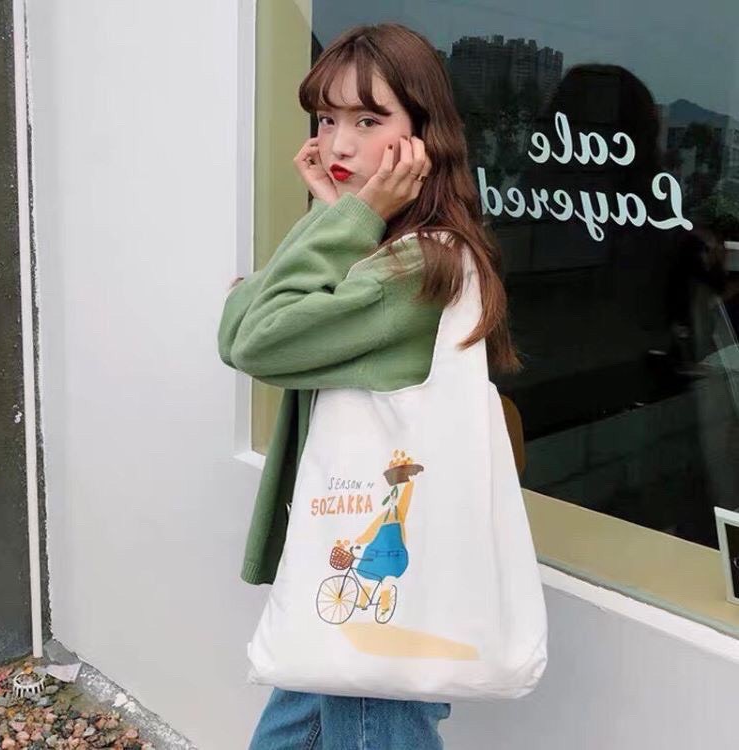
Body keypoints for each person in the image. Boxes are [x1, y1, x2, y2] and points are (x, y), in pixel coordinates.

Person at [217, 22, 522, 750]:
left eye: (368, 119)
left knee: (368, 720)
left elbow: (251, 337)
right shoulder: (378, 246)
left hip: (376, 577)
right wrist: (338, 217)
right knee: (298, 724)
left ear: (422, 136)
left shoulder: (417, 266)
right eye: (326, 119)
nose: (338, 144)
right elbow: (247, 326)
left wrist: (345, 218)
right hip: (352, 554)